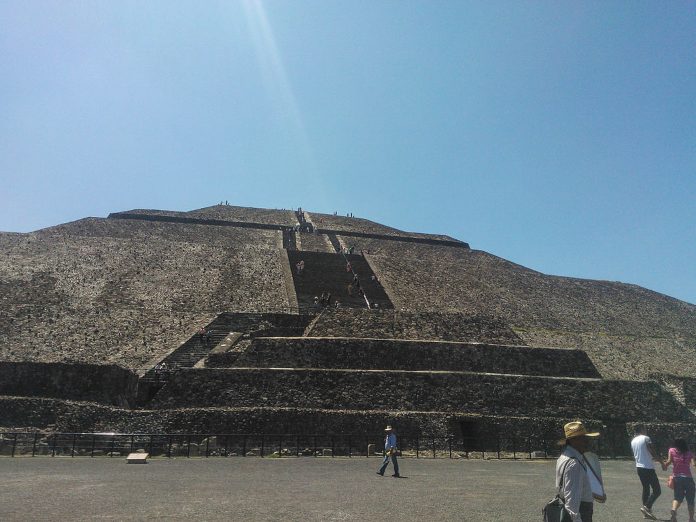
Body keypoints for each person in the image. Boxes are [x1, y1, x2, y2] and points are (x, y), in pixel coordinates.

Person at [556, 421, 600, 521]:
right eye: (584, 438)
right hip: (581, 511)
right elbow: (572, 501)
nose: (587, 442)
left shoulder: (563, 457)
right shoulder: (574, 464)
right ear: (574, 441)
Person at [631, 424, 664, 520]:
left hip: (639, 467)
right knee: (657, 490)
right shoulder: (646, 438)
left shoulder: (633, 441)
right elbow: (652, 451)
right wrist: (662, 462)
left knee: (646, 488)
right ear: (641, 429)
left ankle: (646, 513)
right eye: (645, 429)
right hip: (648, 467)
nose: (646, 430)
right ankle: (647, 507)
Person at [663, 438, 695, 522]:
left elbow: (669, 461)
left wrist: (664, 465)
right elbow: (694, 465)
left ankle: (674, 509)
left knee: (677, 497)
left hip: (677, 478)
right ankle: (691, 519)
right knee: (690, 500)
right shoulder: (689, 453)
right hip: (688, 478)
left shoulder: (671, 450)